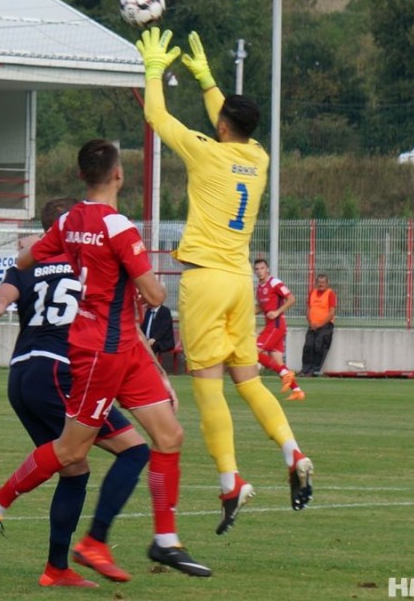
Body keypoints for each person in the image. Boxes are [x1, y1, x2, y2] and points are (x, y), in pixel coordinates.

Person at [0, 139, 211, 577]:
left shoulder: (70, 220)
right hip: (99, 350)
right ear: (119, 174)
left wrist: (79, 259)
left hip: (124, 346)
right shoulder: (118, 227)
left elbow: (24, 258)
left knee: (169, 436)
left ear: (82, 176)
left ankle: (164, 540)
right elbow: (155, 295)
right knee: (72, 450)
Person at [137, 27, 313, 534]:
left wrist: (154, 70)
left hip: (207, 281)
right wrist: (208, 79)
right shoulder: (258, 158)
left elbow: (157, 117)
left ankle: (230, 479)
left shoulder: (207, 152)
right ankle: (292, 451)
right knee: (249, 381)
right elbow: (229, 118)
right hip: (239, 280)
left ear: (220, 126)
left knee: (208, 387)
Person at [0, 197, 152, 587]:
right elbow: (124, 321)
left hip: (22, 375)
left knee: (73, 469)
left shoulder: (28, 262)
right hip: (62, 371)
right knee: (133, 450)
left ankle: (56, 569)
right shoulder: (90, 261)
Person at [253, 257, 304, 400]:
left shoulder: (274, 282)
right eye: (257, 269)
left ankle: (285, 374)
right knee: (278, 362)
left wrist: (277, 311)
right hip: (272, 326)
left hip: (275, 326)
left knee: (252, 352)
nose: (260, 271)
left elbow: (291, 299)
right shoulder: (259, 288)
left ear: (267, 269)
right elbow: (261, 307)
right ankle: (297, 391)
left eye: (262, 268)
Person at [301, 274, 337, 378]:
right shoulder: (312, 293)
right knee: (308, 346)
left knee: (319, 347)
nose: (321, 284)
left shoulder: (330, 294)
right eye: (319, 282)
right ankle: (305, 370)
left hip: (325, 326)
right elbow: (308, 309)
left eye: (323, 282)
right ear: (316, 283)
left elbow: (332, 312)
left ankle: (314, 371)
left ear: (327, 283)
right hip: (312, 326)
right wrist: (310, 322)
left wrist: (321, 324)